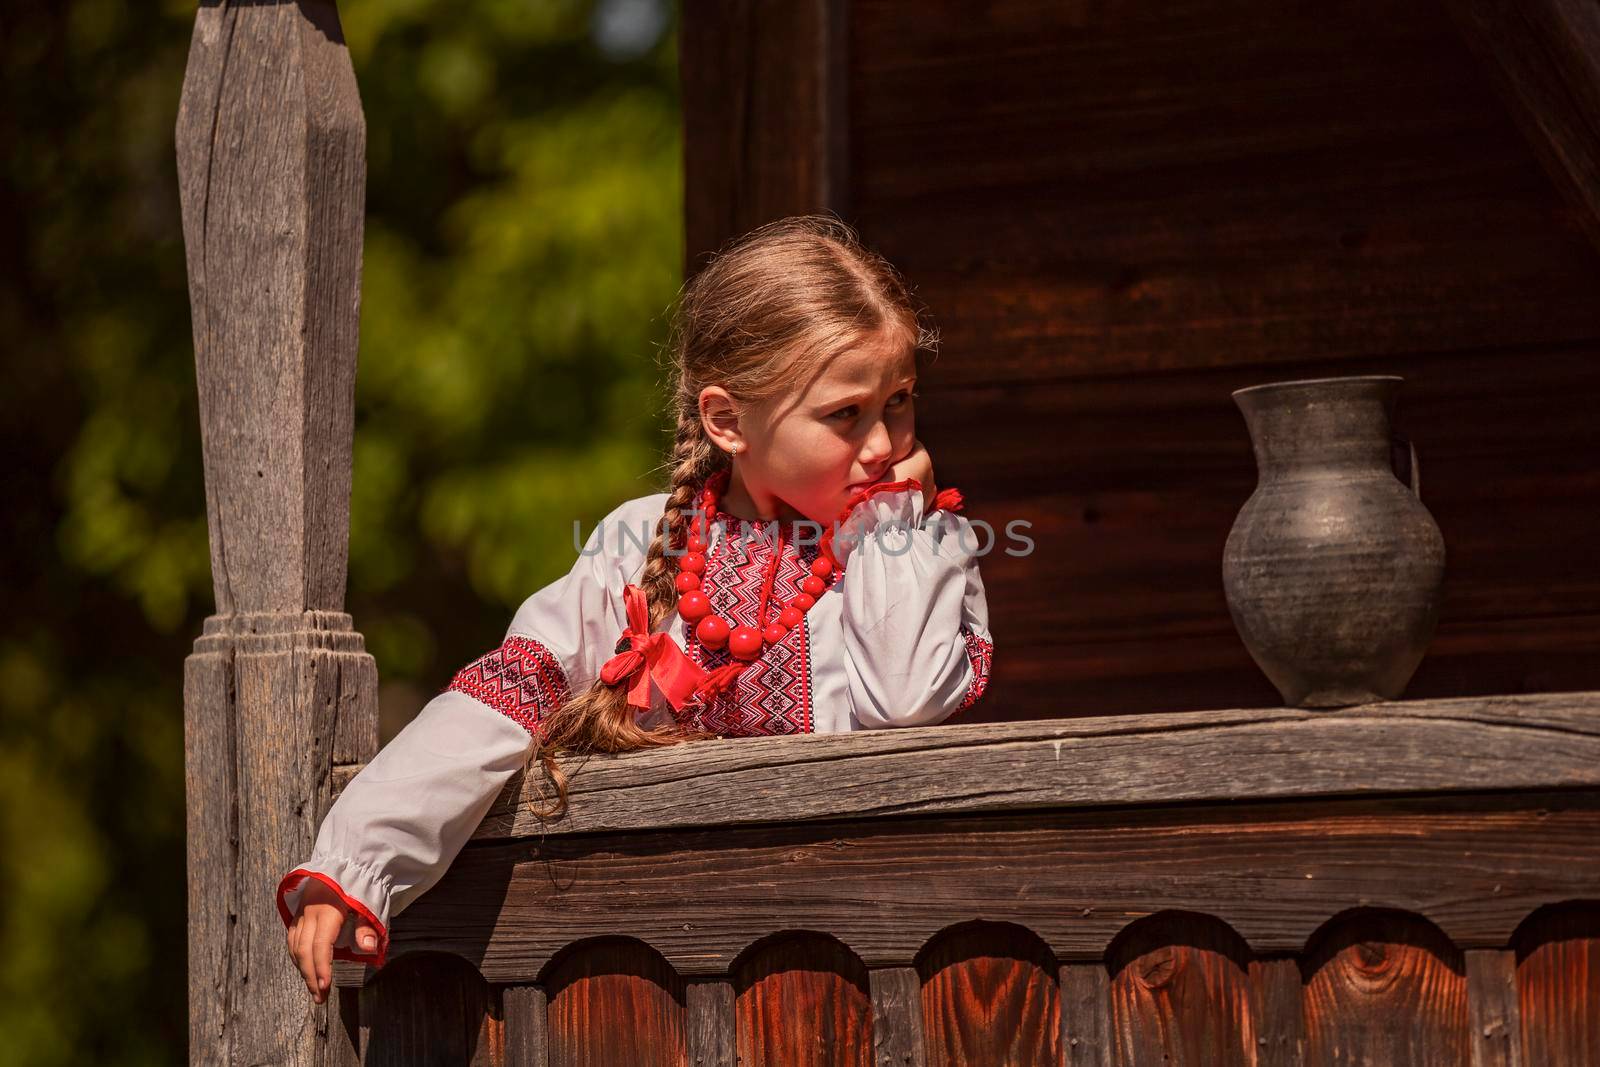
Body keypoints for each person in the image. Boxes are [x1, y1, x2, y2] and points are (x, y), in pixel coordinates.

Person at [278, 215, 994, 1004]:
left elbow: (903, 702)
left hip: (857, 949)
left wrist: (888, 531)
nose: (884, 442)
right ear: (727, 422)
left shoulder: (922, 546)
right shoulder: (638, 540)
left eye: (899, 401)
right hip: (657, 966)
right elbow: (509, 692)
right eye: (845, 414)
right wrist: (356, 861)